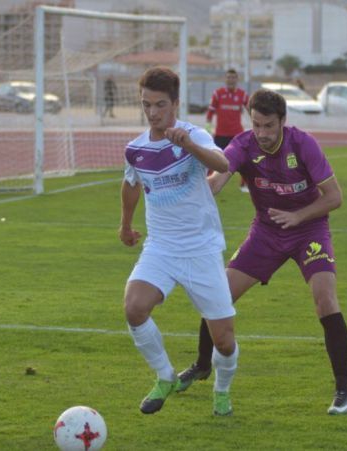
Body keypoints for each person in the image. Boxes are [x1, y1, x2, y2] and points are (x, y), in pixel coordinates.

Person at [176, 88, 347, 415]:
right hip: (267, 232)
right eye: (256, 124)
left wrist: (298, 216)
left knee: (325, 299)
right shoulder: (243, 144)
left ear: (283, 121)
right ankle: (202, 365)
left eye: (268, 126)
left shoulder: (303, 144)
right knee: (219, 294)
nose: (262, 133)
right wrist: (199, 190)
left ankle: (343, 392)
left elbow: (334, 197)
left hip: (308, 230)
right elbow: (219, 178)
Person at [120, 67, 239, 416]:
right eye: (146, 105)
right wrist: (125, 225)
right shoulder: (136, 149)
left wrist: (189, 146)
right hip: (161, 247)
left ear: (175, 103)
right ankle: (165, 376)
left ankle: (221, 390)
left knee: (225, 341)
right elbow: (130, 184)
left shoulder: (193, 134)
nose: (153, 113)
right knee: (134, 307)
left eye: (160, 104)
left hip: (201, 249)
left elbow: (223, 161)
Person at [206, 69, 249, 192]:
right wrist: (208, 128)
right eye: (229, 77)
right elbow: (210, 112)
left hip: (236, 134)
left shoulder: (242, 94)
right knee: (212, 159)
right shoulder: (218, 94)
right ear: (225, 79)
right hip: (220, 134)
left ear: (237, 79)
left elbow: (252, 110)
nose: (231, 80)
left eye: (233, 77)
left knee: (244, 160)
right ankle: (207, 184)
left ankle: (244, 185)